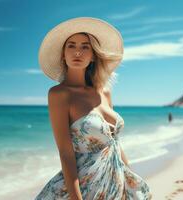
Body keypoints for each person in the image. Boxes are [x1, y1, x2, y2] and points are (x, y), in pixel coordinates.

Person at [35, 17, 152, 200]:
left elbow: (115, 142)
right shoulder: (59, 95)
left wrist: (130, 179)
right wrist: (76, 198)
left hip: (115, 180)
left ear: (93, 56)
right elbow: (66, 153)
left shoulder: (104, 91)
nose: (78, 52)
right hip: (85, 187)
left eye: (85, 47)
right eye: (71, 46)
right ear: (63, 54)